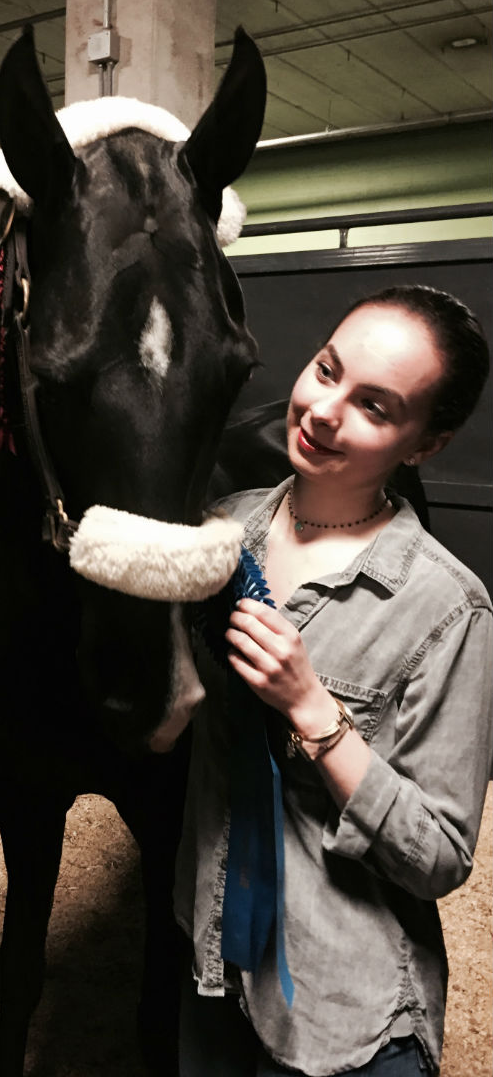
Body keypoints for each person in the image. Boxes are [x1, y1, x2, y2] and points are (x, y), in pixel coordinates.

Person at [174, 285, 493, 1077]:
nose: (322, 410)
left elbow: (442, 856)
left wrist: (311, 706)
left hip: (341, 1012)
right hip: (211, 956)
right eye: (326, 370)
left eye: (375, 407)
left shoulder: (446, 608)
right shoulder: (223, 530)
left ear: (426, 444)